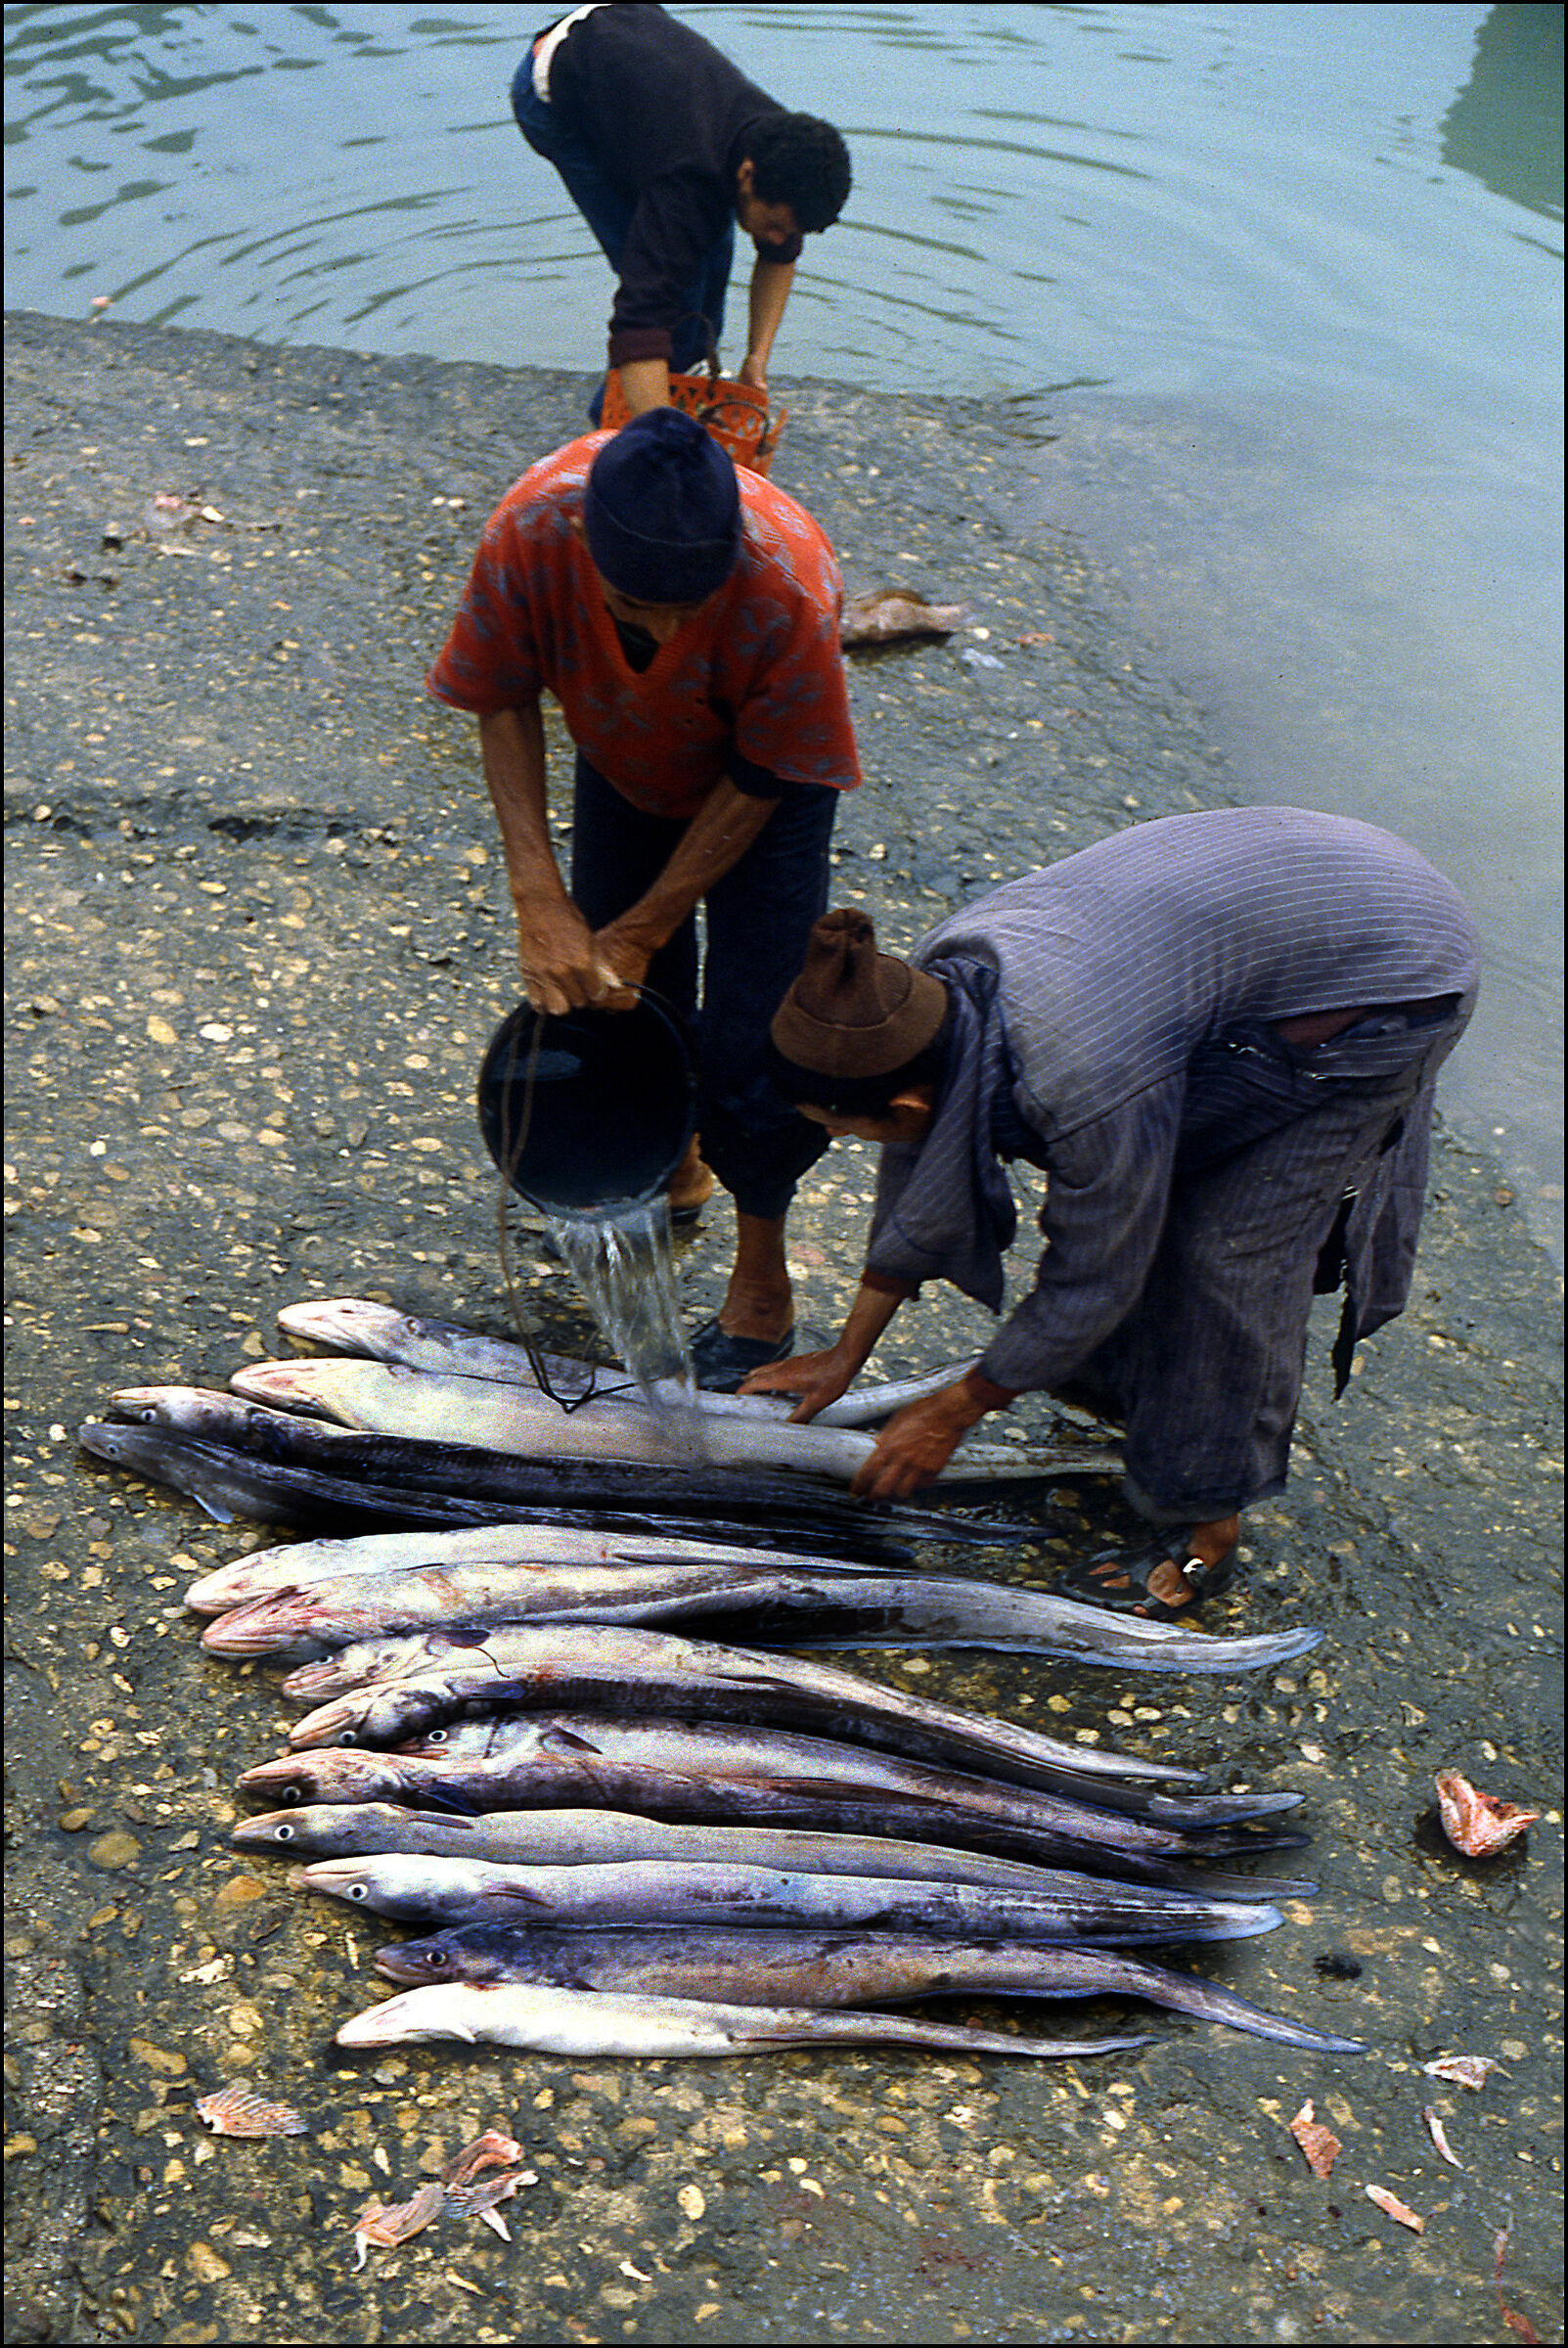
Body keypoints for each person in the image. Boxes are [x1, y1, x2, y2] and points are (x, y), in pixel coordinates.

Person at [743, 808, 1480, 1616]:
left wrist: (951, 1414)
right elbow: (916, 1162)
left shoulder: (1081, 1082)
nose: (849, 1141)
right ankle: (1126, 1390)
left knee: (1223, 1254)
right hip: (1288, 904)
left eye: (844, 1126)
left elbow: (1095, 1272)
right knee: (1136, 1186)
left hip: (1392, 970)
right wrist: (847, 1350)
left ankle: (1206, 1532)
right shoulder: (919, 994)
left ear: (909, 1099)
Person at [426, 404, 861, 1388]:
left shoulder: (784, 582)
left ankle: (762, 1285)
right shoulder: (533, 530)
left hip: (765, 791)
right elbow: (499, 691)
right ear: (587, 543)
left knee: (763, 1035)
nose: (668, 628)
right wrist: (541, 897)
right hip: (622, 755)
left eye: (687, 608)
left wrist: (641, 922)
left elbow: (761, 777)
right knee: (621, 998)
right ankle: (670, 1169)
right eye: (640, 606)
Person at [511, 3, 851, 418]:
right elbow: (638, 321)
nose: (779, 238)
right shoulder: (685, 182)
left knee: (706, 256)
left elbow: (781, 252)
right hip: (555, 92)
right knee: (673, 292)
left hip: (626, 43)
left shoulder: (782, 150)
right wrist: (665, 448)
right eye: (777, 226)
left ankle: (680, 376)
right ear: (747, 174)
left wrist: (756, 360)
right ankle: (614, 423)